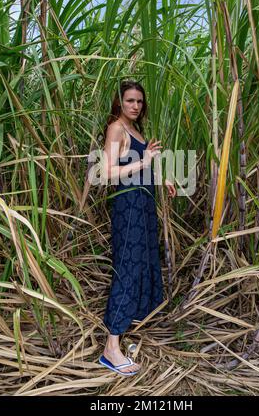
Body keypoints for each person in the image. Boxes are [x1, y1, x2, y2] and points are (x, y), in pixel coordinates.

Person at [98, 80, 176, 376]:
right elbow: (106, 171)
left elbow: (140, 165)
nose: (135, 106)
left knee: (141, 263)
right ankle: (110, 348)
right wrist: (143, 160)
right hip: (128, 208)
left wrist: (160, 175)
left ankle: (123, 330)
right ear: (119, 102)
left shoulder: (134, 130)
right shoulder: (116, 128)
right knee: (127, 269)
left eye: (139, 102)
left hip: (142, 206)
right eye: (130, 100)